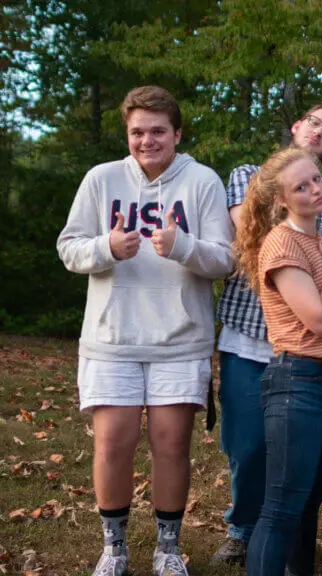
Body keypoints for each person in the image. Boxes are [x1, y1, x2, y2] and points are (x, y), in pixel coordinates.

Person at [56, 85, 234, 576]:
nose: (147, 140)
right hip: (112, 337)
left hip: (180, 340)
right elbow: (69, 248)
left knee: (170, 445)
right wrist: (106, 247)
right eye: (137, 131)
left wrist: (183, 245)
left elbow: (225, 259)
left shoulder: (202, 182)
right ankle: (114, 549)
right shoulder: (101, 179)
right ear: (127, 134)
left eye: (158, 131)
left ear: (176, 133)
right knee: (111, 443)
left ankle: (168, 549)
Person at [212, 102, 322, 567]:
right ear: (297, 125)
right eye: (313, 122)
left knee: (306, 495)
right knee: (263, 470)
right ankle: (241, 532)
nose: (319, 132)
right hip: (281, 356)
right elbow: (321, 317)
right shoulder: (269, 211)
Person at [234, 147, 322, 576]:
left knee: (309, 502)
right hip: (296, 383)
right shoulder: (281, 243)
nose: (315, 189)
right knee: (280, 508)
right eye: (301, 186)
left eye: (316, 179)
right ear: (281, 200)